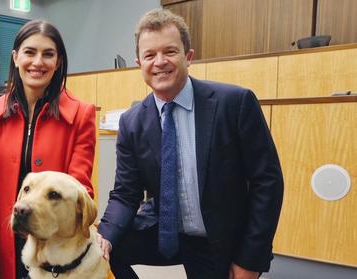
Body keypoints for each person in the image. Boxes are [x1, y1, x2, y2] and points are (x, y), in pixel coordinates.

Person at [96, 9, 284, 279]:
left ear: (189, 57)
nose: (159, 62)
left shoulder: (235, 103)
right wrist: (104, 238)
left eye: (170, 52)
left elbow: (267, 183)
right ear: (139, 63)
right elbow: (126, 194)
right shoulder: (131, 122)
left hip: (220, 244)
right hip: (165, 238)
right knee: (115, 247)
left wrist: (250, 260)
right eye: (150, 55)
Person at [0, 20, 97, 279]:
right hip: (5, 238)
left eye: (48, 54)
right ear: (15, 57)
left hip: (56, 247)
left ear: (59, 62)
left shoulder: (81, 115)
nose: (38, 62)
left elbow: (81, 187)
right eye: (30, 52)